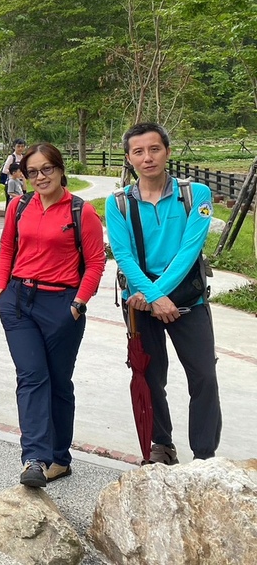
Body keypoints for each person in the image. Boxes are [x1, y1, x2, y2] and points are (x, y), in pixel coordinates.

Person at [106, 122, 220, 466]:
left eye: (154, 149)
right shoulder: (119, 203)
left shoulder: (196, 195)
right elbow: (123, 256)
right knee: (150, 376)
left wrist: (157, 294)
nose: (147, 157)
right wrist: (152, 297)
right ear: (129, 158)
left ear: (167, 152)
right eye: (138, 151)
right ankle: (162, 444)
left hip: (188, 299)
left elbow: (190, 251)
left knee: (203, 375)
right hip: (141, 302)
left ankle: (204, 454)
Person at [0, 143, 105, 486]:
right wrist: (2, 292)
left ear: (59, 169)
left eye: (47, 169)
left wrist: (78, 304)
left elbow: (96, 261)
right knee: (31, 376)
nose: (40, 177)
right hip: (19, 301)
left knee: (59, 383)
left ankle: (59, 458)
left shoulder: (80, 211)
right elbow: (7, 250)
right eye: (32, 172)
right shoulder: (19, 205)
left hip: (61, 305)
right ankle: (35, 459)